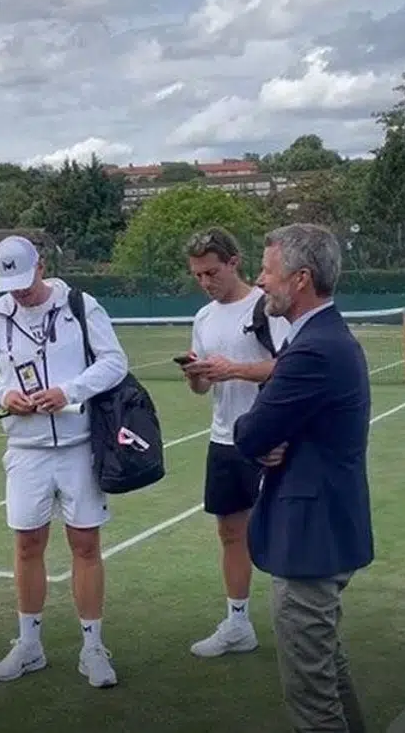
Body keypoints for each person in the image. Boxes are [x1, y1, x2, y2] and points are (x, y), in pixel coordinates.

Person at [0, 235, 129, 688]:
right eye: (9, 285)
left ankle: (93, 648)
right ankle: (29, 644)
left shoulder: (80, 306)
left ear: (42, 266)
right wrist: (2, 395)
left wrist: (68, 392)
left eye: (24, 282)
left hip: (79, 446)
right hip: (25, 451)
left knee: (85, 544)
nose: (18, 293)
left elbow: (114, 362)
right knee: (27, 545)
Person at [231, 223, 371, 733]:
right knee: (327, 668)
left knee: (312, 697)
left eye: (268, 270)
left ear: (301, 278)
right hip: (324, 530)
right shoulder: (320, 338)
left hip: (311, 539)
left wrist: (261, 435)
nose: (260, 280)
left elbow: (251, 432)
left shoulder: (314, 349)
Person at [178, 227, 289, 658]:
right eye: (197, 275)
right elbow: (203, 388)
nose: (205, 282)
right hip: (224, 438)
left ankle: (293, 620)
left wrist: (234, 369)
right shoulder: (203, 318)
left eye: (212, 272)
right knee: (230, 532)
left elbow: (288, 366)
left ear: (233, 263)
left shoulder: (268, 306)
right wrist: (197, 376)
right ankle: (238, 624)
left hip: (268, 437)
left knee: (279, 531)